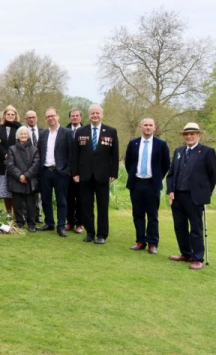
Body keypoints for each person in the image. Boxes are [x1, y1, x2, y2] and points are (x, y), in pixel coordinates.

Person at [166, 123, 216, 270]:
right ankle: (186, 253)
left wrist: (205, 193)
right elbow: (171, 174)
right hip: (178, 196)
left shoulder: (207, 151)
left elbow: (213, 175)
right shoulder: (178, 151)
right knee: (180, 227)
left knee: (195, 228)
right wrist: (171, 191)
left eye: (192, 133)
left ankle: (197, 258)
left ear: (199, 135)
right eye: (186, 134)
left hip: (194, 197)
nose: (189, 136)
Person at [72, 104, 119, 245]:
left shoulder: (111, 131)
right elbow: (75, 154)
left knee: (102, 206)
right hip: (85, 175)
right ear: (89, 115)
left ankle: (102, 235)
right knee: (86, 206)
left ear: (102, 115)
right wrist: (75, 172)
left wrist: (114, 172)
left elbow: (114, 154)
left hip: (103, 175)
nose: (95, 115)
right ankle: (90, 232)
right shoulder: (81, 131)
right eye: (92, 113)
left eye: (97, 113)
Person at [125, 118, 170, 255]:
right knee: (137, 214)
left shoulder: (161, 144)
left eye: (150, 125)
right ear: (141, 127)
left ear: (155, 127)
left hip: (152, 183)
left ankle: (152, 243)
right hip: (136, 183)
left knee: (152, 215)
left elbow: (166, 164)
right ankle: (140, 241)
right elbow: (128, 163)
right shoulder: (133, 144)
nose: (148, 127)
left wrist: (157, 178)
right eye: (146, 125)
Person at [38, 108, 73, 237]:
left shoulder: (67, 133)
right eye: (48, 116)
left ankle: (61, 226)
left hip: (60, 172)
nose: (50, 118)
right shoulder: (43, 134)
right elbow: (39, 152)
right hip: (45, 171)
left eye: (53, 115)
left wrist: (68, 170)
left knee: (61, 200)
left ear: (58, 116)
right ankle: (49, 223)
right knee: (46, 199)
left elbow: (72, 154)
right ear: (45, 119)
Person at [6, 126, 41, 231]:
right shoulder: (12, 149)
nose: (23, 135)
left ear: (28, 136)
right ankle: (19, 222)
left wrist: (26, 176)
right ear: (18, 136)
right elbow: (10, 164)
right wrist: (20, 176)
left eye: (25, 134)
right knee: (17, 204)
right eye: (21, 134)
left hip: (29, 181)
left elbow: (36, 164)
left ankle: (31, 224)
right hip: (16, 180)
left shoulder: (34, 149)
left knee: (31, 204)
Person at [0, 105, 21, 218]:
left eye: (13, 114)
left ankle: (16, 214)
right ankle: (8, 213)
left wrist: (11, 156)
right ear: (4, 115)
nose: (10, 116)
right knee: (4, 190)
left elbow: (20, 142)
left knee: (14, 189)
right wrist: (5, 155)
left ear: (16, 116)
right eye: (8, 114)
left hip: (15, 162)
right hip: (1, 162)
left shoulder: (19, 128)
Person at [23, 110, 44, 224]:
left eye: (33, 117)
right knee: (27, 192)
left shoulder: (43, 132)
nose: (31, 119)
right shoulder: (22, 132)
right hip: (27, 167)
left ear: (37, 118)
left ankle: (38, 214)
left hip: (41, 167)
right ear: (26, 119)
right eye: (29, 117)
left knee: (39, 193)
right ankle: (27, 214)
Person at [66, 108, 84, 234]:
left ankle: (79, 223)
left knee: (81, 198)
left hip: (83, 171)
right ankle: (70, 222)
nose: (75, 118)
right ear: (69, 118)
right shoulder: (64, 131)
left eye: (77, 116)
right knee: (69, 198)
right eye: (72, 116)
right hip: (67, 171)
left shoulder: (86, 131)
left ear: (80, 117)